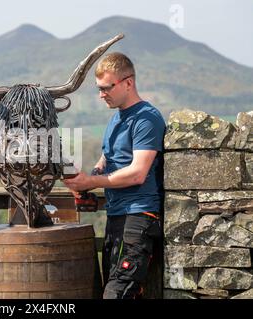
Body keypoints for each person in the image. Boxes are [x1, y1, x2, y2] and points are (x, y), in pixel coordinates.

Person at [63, 52, 166, 299]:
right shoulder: (115, 119)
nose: (101, 95)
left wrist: (92, 181)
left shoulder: (146, 118)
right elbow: (108, 157)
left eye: (106, 88)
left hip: (139, 216)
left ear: (128, 82)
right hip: (116, 216)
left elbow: (137, 174)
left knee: (116, 294)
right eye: (98, 89)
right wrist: (89, 179)